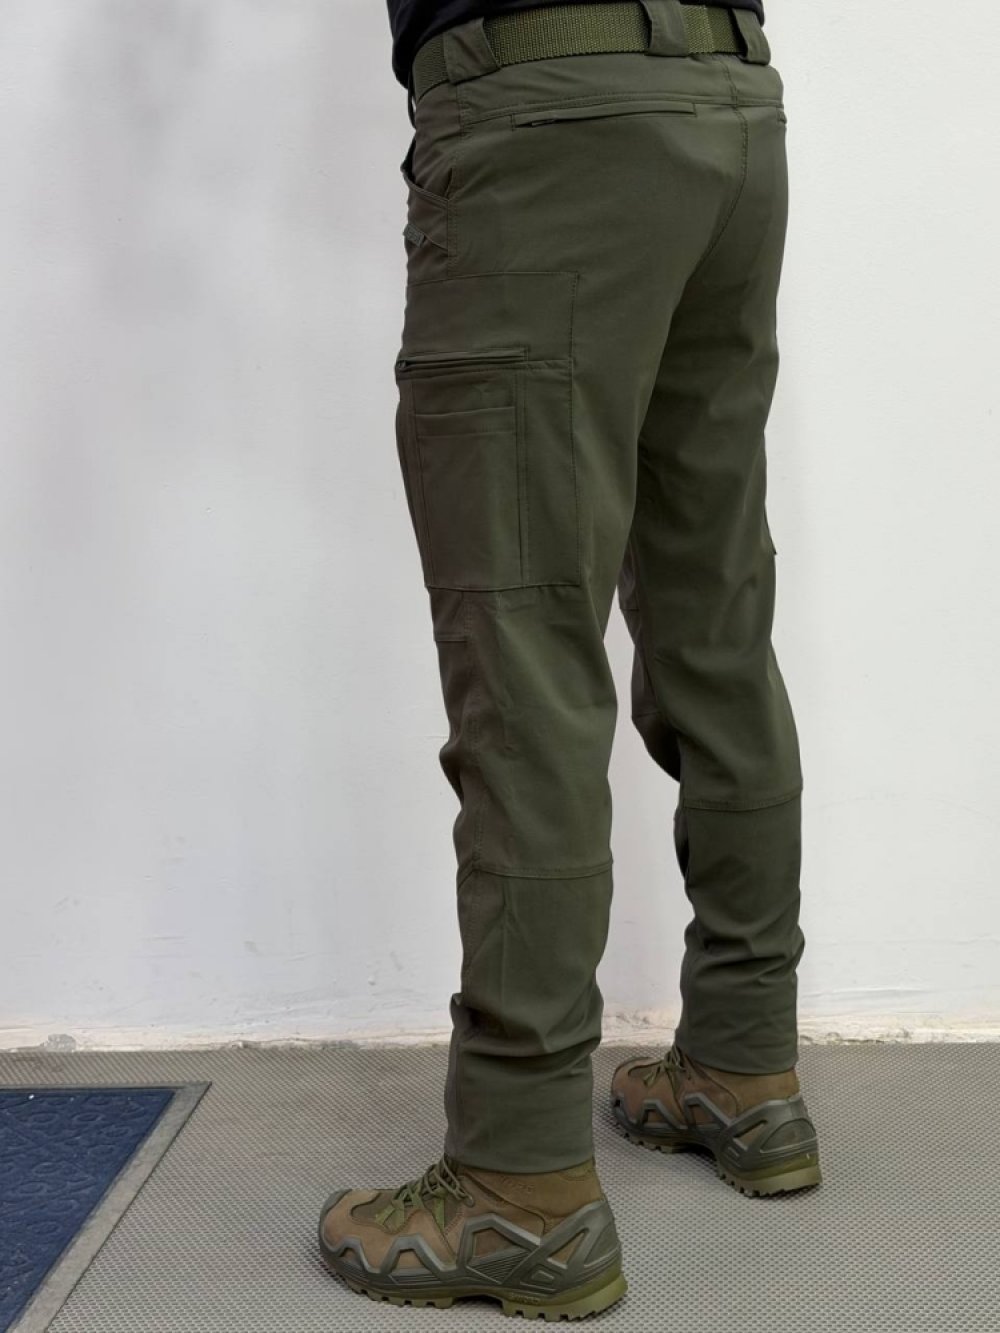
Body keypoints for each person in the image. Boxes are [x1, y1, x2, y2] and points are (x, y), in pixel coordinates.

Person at [319, 0, 821, 1318]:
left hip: (546, 118)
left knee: (525, 661)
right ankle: (745, 1068)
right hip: (725, 99)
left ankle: (518, 1179)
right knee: (716, 619)